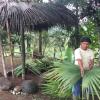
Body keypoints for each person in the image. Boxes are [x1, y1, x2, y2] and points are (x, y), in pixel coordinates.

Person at [72, 36, 94, 100]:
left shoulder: (91, 51)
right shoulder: (77, 50)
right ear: (81, 43)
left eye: (87, 44)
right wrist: (81, 69)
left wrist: (91, 65)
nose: (86, 45)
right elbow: (79, 60)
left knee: (87, 87)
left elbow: (92, 61)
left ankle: (85, 98)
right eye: (84, 43)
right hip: (77, 71)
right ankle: (76, 98)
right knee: (76, 86)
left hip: (87, 71)